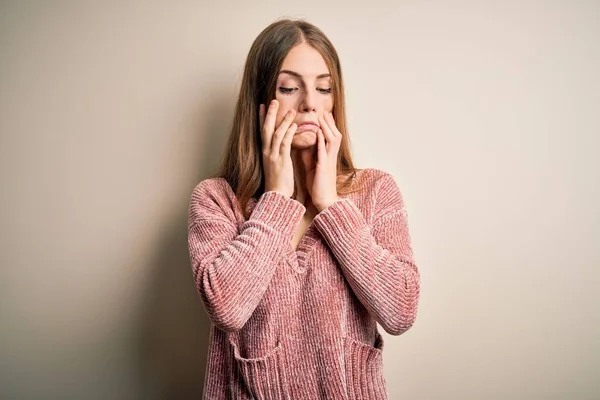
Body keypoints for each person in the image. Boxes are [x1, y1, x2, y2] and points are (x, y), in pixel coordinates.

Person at [187, 18, 421, 400]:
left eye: (324, 88)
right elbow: (227, 308)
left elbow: (401, 311)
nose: (311, 103)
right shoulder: (216, 200)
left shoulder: (376, 190)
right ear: (260, 100)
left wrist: (331, 204)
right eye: (290, 88)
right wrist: (277, 198)